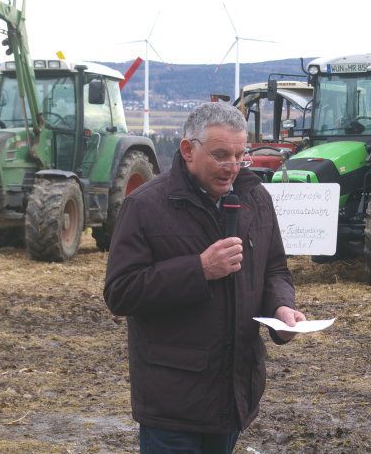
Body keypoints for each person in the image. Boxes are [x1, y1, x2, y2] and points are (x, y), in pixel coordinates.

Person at [104, 101, 305, 454]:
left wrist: (282, 309)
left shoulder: (255, 198)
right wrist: (198, 270)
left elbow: (274, 268)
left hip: (233, 392)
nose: (231, 167)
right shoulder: (146, 206)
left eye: (240, 155)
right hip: (172, 401)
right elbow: (120, 292)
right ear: (187, 150)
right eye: (220, 155)